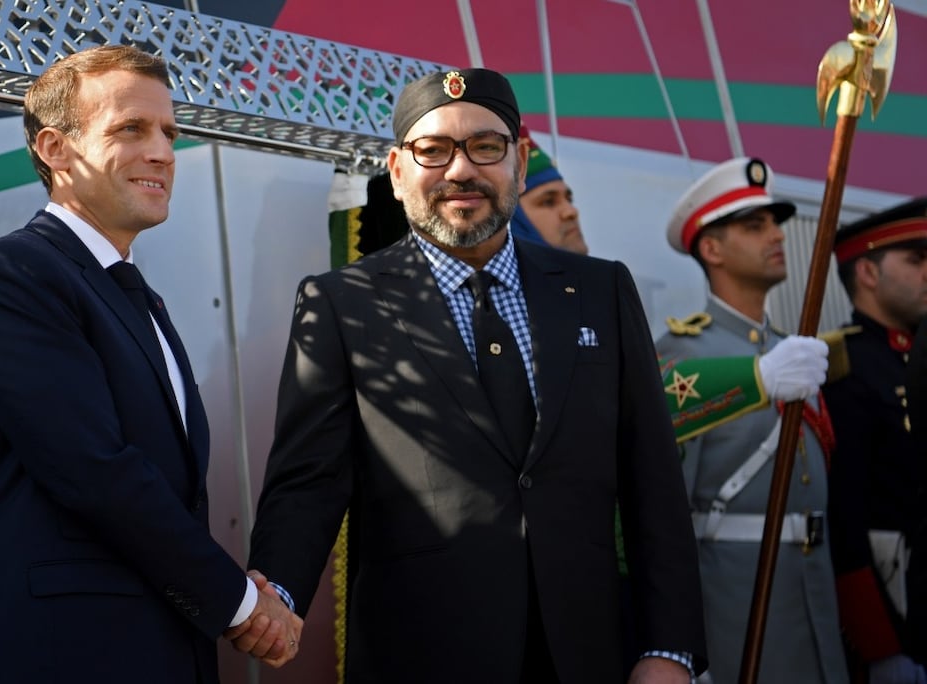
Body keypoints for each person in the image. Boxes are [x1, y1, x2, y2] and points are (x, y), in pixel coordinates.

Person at [249, 67, 707, 683]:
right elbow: (309, 479)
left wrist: (669, 648)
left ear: (518, 160)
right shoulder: (343, 303)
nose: (460, 171)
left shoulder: (599, 290)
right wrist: (274, 593)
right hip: (421, 654)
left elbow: (653, 477)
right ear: (397, 169)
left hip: (589, 650)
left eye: (485, 147)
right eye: (433, 150)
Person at [0, 45, 299, 683]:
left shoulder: (135, 296)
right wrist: (245, 604)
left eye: (168, 132)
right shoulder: (12, 274)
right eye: (130, 128)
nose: (162, 152)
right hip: (60, 657)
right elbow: (94, 471)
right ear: (55, 149)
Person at [655, 157, 848, 684]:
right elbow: (663, 514)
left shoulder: (795, 349)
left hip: (813, 586)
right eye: (753, 225)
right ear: (711, 249)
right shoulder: (681, 355)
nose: (775, 235)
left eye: (774, 223)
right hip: (733, 598)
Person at [824, 197, 927, 684]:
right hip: (901, 620)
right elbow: (843, 521)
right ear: (867, 272)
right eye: (916, 259)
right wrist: (879, 644)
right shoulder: (845, 367)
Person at [508, 132, 588, 254]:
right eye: (548, 202)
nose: (571, 211)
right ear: (514, 220)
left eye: (569, 199)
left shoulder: (608, 272)